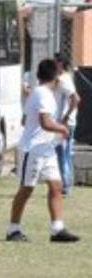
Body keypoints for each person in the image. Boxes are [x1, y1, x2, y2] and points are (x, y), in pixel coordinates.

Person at [7, 58, 79, 243]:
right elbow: (45, 123)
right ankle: (13, 230)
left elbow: (26, 121)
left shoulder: (41, 93)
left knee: (56, 186)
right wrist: (62, 128)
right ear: (56, 75)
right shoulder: (42, 94)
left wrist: (56, 129)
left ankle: (57, 230)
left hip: (46, 148)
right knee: (26, 189)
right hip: (33, 149)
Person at [52, 54, 80, 197]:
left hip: (65, 124)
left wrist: (65, 117)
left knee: (62, 155)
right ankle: (66, 184)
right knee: (65, 154)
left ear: (60, 64)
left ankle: (66, 187)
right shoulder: (65, 78)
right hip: (66, 123)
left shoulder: (63, 80)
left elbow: (76, 99)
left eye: (55, 62)